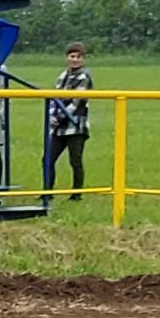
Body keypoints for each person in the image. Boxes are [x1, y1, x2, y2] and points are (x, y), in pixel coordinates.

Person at [47, 41, 94, 201]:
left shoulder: (84, 77)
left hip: (76, 125)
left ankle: (76, 194)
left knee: (75, 160)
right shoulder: (62, 76)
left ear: (83, 58)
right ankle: (47, 192)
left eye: (78, 57)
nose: (75, 59)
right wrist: (52, 116)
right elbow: (55, 97)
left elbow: (77, 102)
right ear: (67, 57)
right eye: (72, 56)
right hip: (59, 127)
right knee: (48, 159)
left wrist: (59, 117)